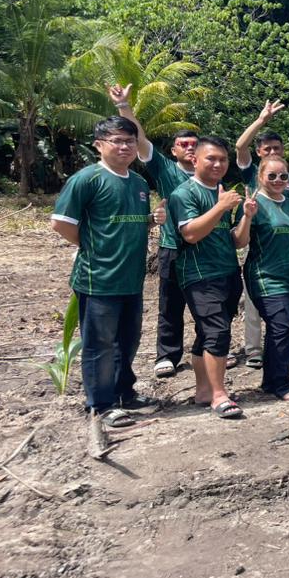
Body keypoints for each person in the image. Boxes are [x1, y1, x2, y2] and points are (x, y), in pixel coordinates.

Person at [51, 116, 166, 427]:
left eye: (130, 140)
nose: (125, 146)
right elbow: (60, 223)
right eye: (117, 140)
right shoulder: (87, 179)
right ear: (99, 145)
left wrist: (152, 220)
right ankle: (101, 404)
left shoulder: (138, 183)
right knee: (99, 343)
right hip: (98, 278)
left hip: (131, 278)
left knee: (128, 340)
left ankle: (124, 392)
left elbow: (130, 222)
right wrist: (91, 245)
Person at [109, 85, 195, 379]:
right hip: (173, 246)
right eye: (184, 144)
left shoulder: (212, 173)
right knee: (170, 304)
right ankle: (167, 355)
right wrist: (124, 106)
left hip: (205, 249)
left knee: (207, 302)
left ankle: (209, 349)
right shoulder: (165, 168)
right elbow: (141, 140)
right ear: (174, 150)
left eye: (194, 144)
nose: (190, 148)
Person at [168, 136, 247, 419]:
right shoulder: (184, 193)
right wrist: (221, 207)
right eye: (211, 158)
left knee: (207, 333)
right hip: (199, 274)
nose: (218, 164)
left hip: (228, 270)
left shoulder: (222, 192)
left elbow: (235, 239)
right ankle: (219, 395)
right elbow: (190, 233)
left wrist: (245, 216)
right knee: (217, 332)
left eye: (223, 159)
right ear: (194, 159)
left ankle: (203, 391)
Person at [232, 157, 289, 402]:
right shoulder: (254, 204)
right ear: (260, 177)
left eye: (283, 176)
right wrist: (247, 216)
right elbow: (239, 242)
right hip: (265, 276)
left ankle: (270, 380)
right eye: (272, 176)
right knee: (283, 327)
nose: (278, 180)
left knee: (283, 328)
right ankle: (281, 384)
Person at [233, 101, 289, 369]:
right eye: (267, 149)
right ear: (259, 152)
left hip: (286, 252)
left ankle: (281, 351)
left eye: (277, 148)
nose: (277, 180)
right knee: (255, 306)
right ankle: (253, 349)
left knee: (285, 312)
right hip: (258, 247)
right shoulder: (252, 172)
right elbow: (240, 146)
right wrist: (261, 120)